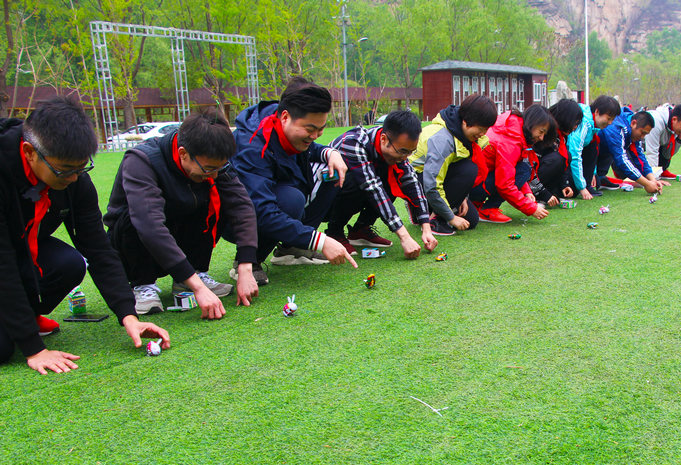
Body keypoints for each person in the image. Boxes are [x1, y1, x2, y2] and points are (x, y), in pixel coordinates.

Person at [0, 97, 170, 375]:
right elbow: (3, 265)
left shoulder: (74, 179)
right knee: (3, 349)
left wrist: (128, 314)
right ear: (30, 152)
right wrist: (34, 348)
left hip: (20, 247)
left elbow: (98, 249)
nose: (74, 178)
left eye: (82, 168)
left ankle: (22, 318)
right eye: (65, 170)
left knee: (69, 263)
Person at [104, 108, 260, 317]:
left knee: (219, 198)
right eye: (208, 169)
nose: (214, 174)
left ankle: (190, 275)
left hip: (177, 235)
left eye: (219, 168)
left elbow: (241, 206)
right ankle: (141, 285)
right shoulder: (142, 160)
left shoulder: (212, 163)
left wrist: (246, 267)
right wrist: (199, 289)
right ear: (183, 153)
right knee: (136, 218)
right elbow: (150, 226)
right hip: (134, 245)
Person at [231, 77, 357, 271]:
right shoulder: (253, 147)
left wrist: (330, 152)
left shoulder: (283, 123)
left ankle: (294, 247)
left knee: (333, 171)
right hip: (237, 217)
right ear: (285, 117)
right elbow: (263, 211)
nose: (315, 135)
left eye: (321, 129)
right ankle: (248, 261)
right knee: (291, 200)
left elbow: (308, 146)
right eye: (310, 129)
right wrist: (320, 241)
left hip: (275, 198)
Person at [325, 110, 437, 258]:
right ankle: (334, 231)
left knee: (393, 177)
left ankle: (360, 230)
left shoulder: (397, 150)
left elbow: (412, 183)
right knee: (355, 180)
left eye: (410, 152)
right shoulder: (354, 143)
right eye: (402, 151)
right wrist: (404, 237)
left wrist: (426, 227)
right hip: (324, 202)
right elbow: (373, 189)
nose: (405, 157)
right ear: (384, 139)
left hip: (359, 190)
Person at [408, 94, 496, 235]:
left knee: (471, 220)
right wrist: (450, 217)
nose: (483, 134)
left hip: (433, 179)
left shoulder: (464, 135)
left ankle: (424, 212)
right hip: (416, 181)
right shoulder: (443, 140)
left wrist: (463, 197)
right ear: (466, 122)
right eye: (481, 128)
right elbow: (432, 184)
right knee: (469, 169)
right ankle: (433, 219)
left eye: (486, 129)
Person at [470, 104, 553, 222]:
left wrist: (526, 191)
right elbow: (505, 184)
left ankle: (477, 204)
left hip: (474, 180)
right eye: (541, 131)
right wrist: (531, 208)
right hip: (474, 185)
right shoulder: (511, 140)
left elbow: (512, 168)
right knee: (524, 169)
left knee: (523, 168)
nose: (541, 138)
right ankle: (488, 209)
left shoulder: (513, 128)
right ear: (532, 123)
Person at [596, 108, 669, 195]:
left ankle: (599, 177)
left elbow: (639, 155)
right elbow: (621, 160)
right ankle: (590, 179)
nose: (642, 137)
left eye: (645, 134)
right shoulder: (616, 127)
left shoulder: (632, 129)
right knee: (614, 151)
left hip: (600, 152)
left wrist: (652, 179)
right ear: (633, 123)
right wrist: (646, 183)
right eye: (642, 132)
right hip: (589, 153)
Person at [566, 95, 621, 200]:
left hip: (570, 155)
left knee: (595, 144)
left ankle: (587, 182)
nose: (610, 123)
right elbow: (575, 155)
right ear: (597, 112)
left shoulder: (594, 126)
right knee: (573, 190)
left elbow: (592, 149)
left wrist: (593, 173)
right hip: (562, 155)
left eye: (612, 120)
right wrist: (582, 187)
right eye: (608, 119)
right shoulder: (584, 123)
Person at [531, 99, 583, 205]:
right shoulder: (544, 134)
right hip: (531, 178)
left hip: (545, 176)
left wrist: (565, 184)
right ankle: (536, 194)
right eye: (574, 123)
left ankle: (550, 193)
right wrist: (542, 192)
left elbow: (565, 161)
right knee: (558, 159)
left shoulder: (561, 137)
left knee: (573, 187)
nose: (575, 127)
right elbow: (530, 166)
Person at [644, 103, 681, 180]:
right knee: (626, 174)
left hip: (643, 148)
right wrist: (654, 180)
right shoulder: (656, 122)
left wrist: (679, 140)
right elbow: (651, 153)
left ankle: (661, 171)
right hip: (628, 146)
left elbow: (667, 154)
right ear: (674, 119)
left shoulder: (673, 126)